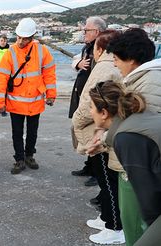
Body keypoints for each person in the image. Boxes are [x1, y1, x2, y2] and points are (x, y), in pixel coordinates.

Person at [88, 28, 161, 245]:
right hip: (135, 160)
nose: (115, 65)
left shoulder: (150, 82)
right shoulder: (143, 78)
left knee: (137, 226)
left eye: (117, 59)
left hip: (138, 167)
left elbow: (139, 131)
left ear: (131, 59)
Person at [72, 30, 124, 244]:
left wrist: (77, 119)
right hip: (100, 128)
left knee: (107, 180)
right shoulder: (111, 65)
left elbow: (91, 100)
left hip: (98, 130)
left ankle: (114, 227)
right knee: (105, 179)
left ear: (100, 48)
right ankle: (106, 218)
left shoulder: (104, 67)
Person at [0, 18, 56, 174]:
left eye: (24, 38)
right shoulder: (10, 53)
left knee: (32, 132)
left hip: (35, 101)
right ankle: (19, 159)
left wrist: (51, 95)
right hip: (15, 103)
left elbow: (49, 74)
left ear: (32, 37)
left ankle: (29, 156)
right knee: (17, 133)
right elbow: (1, 79)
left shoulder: (42, 51)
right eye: (18, 37)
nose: (20, 41)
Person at [70, 17, 106, 187]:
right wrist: (77, 63)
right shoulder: (88, 48)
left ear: (97, 32)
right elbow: (75, 60)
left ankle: (96, 172)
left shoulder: (101, 48)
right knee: (87, 133)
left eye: (87, 30)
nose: (84, 33)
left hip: (92, 100)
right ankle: (89, 166)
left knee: (94, 133)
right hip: (82, 96)